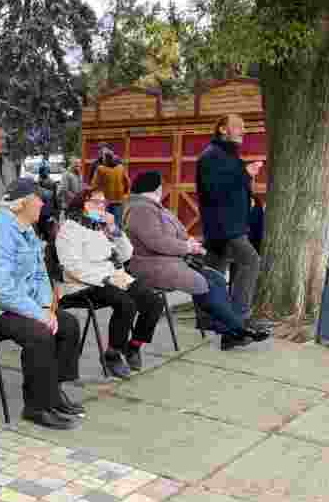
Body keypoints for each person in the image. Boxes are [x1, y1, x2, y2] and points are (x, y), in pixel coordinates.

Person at [0, 178, 85, 430]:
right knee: (39, 334)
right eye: (38, 199)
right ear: (20, 204)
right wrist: (38, 314)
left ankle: (53, 392)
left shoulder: (26, 229)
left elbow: (40, 275)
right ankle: (36, 407)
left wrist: (45, 308)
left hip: (18, 304)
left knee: (68, 325)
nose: (42, 203)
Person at [125, 171, 270, 352]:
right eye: (161, 186)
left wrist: (191, 244)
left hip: (171, 261)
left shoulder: (155, 208)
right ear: (155, 188)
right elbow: (156, 242)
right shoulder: (141, 209)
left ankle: (230, 331)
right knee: (203, 283)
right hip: (152, 265)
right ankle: (238, 329)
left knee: (216, 279)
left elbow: (180, 232)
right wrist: (186, 247)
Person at [54, 191, 163, 379]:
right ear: (83, 205)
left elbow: (126, 255)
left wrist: (114, 230)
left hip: (112, 276)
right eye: (96, 202)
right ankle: (112, 354)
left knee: (153, 301)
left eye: (103, 203)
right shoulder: (68, 230)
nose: (102, 206)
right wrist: (103, 279)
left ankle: (133, 346)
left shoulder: (100, 227)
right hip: (82, 283)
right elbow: (72, 266)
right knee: (126, 303)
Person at [195, 114, 264, 326]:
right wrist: (245, 173)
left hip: (230, 225)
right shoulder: (211, 156)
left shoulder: (228, 155)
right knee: (251, 261)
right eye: (238, 127)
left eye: (244, 127)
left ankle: (208, 318)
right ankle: (238, 318)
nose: (243, 131)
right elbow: (214, 189)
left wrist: (249, 196)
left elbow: (233, 183)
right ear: (223, 129)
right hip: (224, 226)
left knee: (212, 272)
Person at [88, 146, 130, 224]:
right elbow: (127, 182)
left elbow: (94, 185)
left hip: (105, 201)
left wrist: (89, 192)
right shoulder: (121, 168)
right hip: (119, 201)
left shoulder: (100, 169)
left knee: (104, 224)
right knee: (117, 223)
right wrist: (125, 194)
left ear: (105, 159)